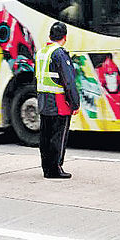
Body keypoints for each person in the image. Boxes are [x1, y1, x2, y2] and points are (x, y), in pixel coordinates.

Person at [34, 22, 80, 179]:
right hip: (58, 102)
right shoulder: (59, 54)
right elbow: (68, 81)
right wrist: (75, 103)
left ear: (50, 36)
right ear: (65, 37)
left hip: (43, 101)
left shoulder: (41, 52)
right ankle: (55, 168)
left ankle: (47, 168)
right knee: (58, 136)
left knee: (45, 136)